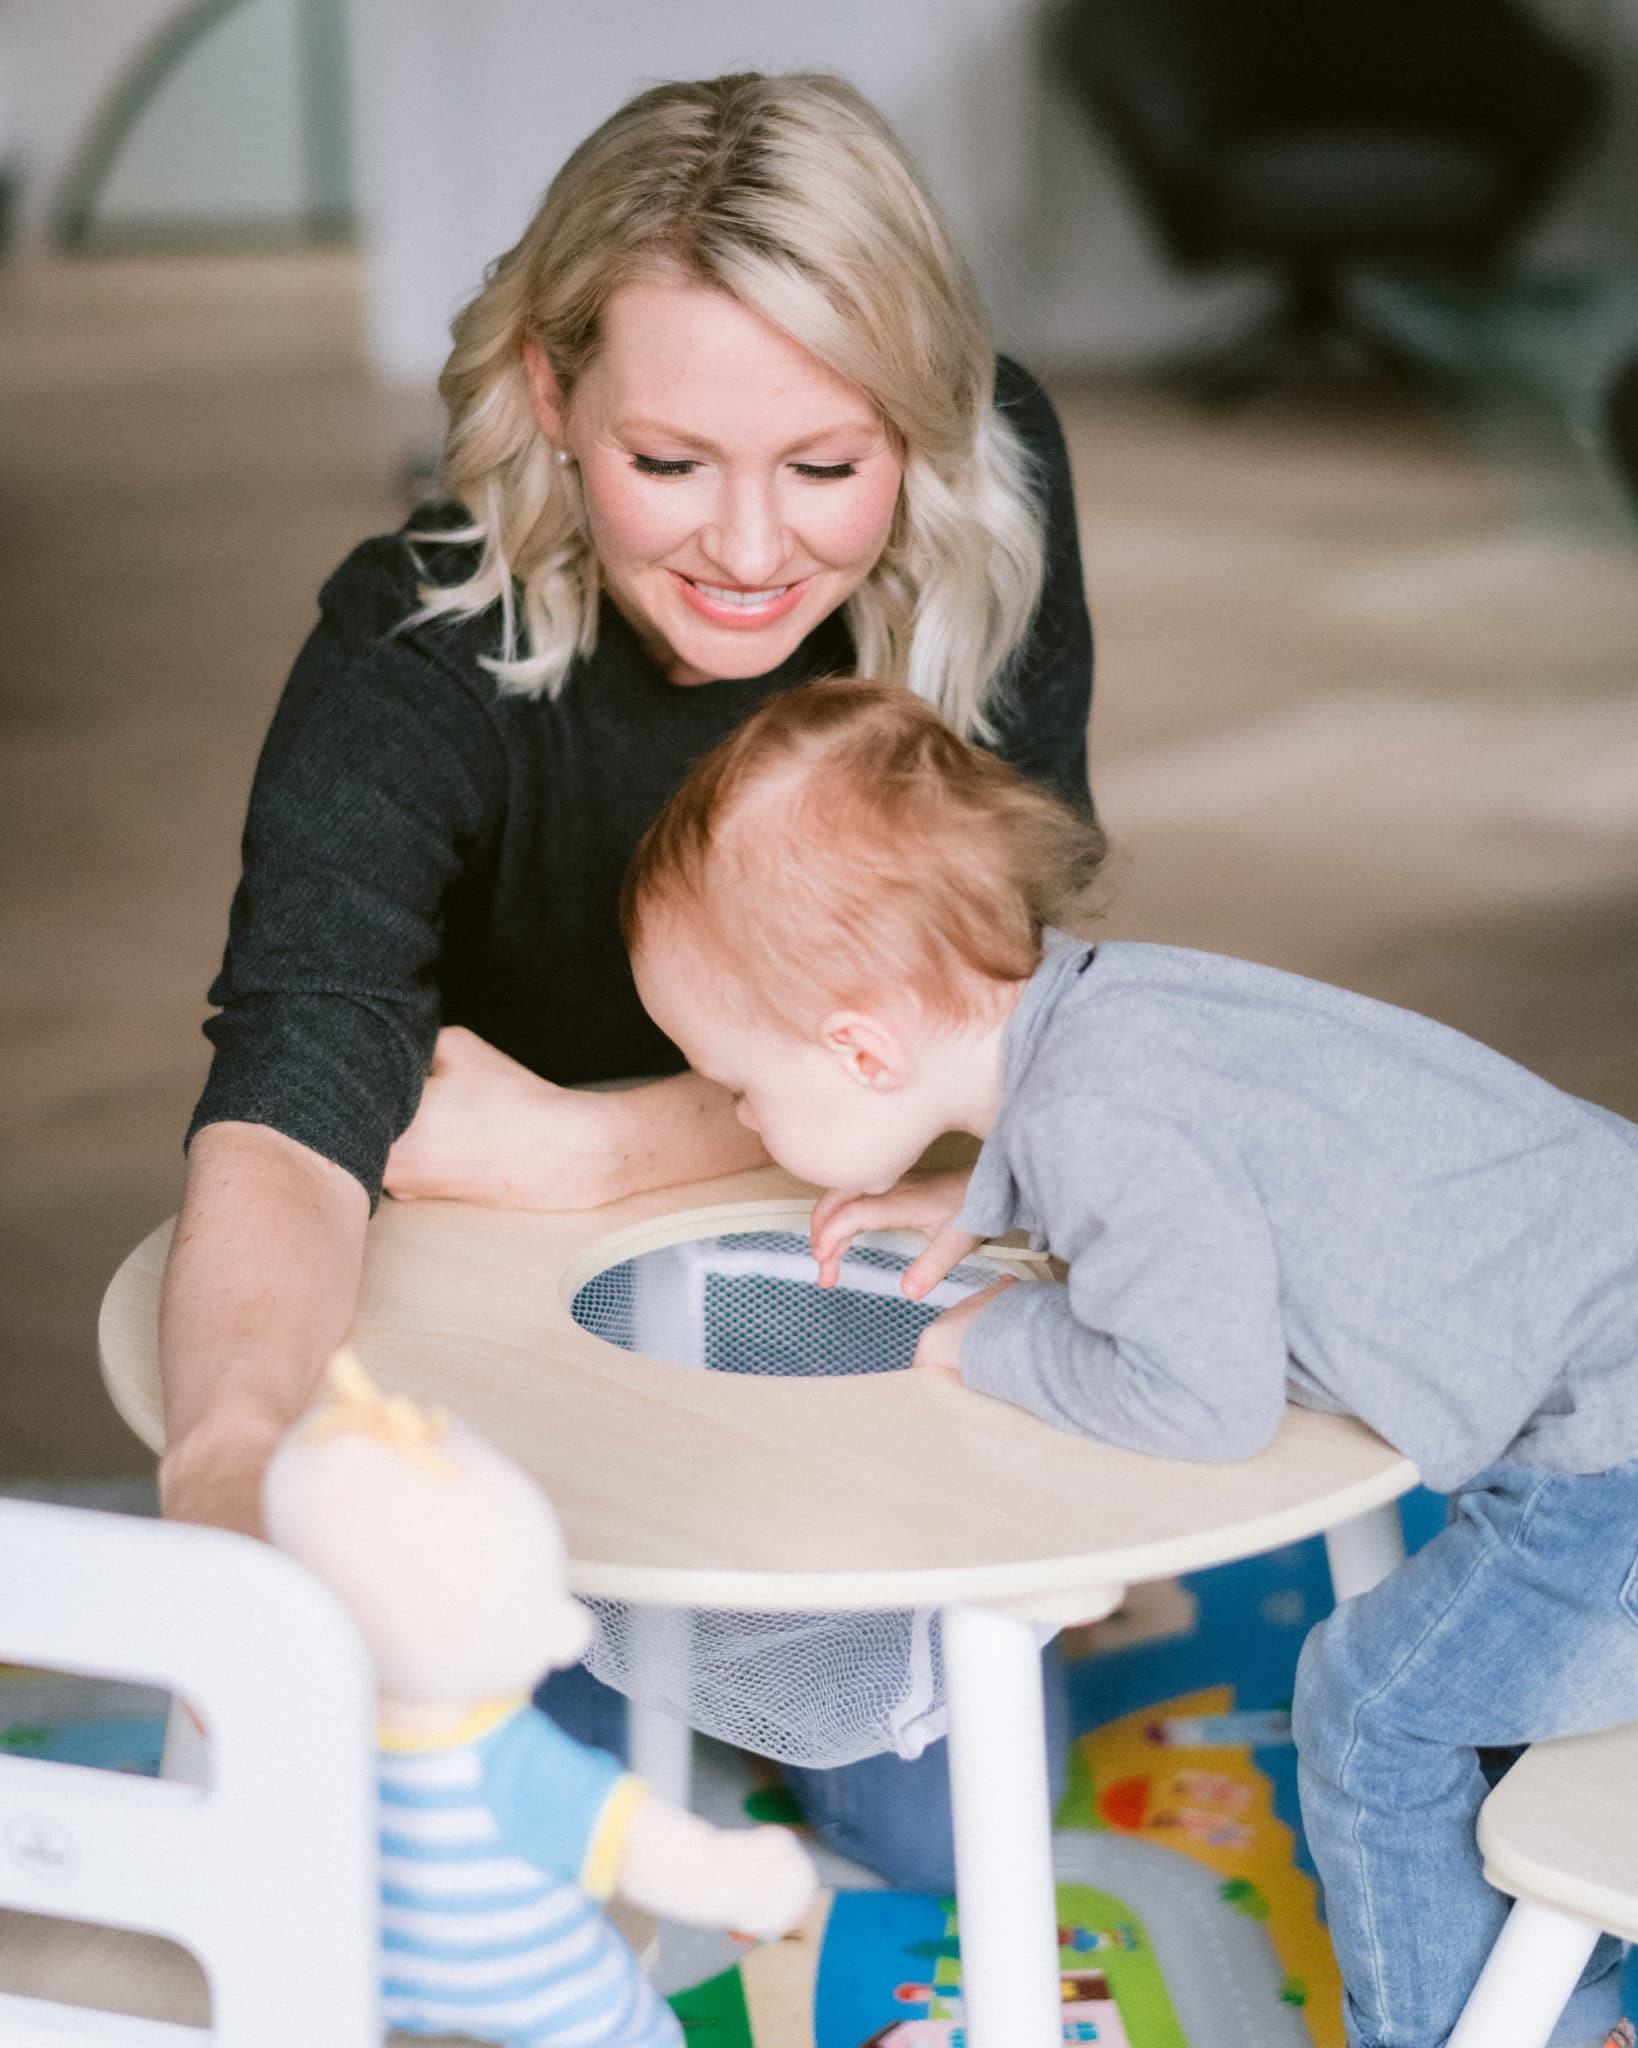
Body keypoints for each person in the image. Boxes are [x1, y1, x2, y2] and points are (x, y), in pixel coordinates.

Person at [160, 72, 1093, 1890]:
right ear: (546, 394)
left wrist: (595, 1147)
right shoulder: (413, 645)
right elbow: (293, 1093)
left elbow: (1030, 1023)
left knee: (937, 1830)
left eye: (828, 466)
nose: (750, 553)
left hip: (821, 1247)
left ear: (924, 421)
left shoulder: (1000, 490)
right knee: (483, 1817)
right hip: (519, 1320)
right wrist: (228, 1472)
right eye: (668, 463)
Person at [623, 676, 1638, 2048]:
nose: (737, 1113)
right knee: (1460, 1678)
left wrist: (997, 1338)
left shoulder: (1094, 1122)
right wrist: (986, 1195)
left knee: (1373, 1710)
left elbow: (1199, 1397)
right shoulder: (1111, 1012)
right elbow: (1221, 1169)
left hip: (1605, 1450)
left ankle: (1476, 2032)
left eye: (737, 1081)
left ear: (860, 1048)